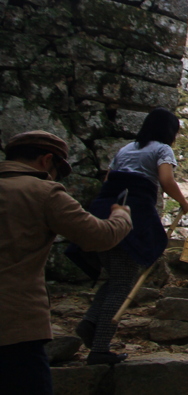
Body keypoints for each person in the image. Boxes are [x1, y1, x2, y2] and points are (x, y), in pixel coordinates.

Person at [0, 130, 133, 395]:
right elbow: (98, 236)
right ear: (46, 160)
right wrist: (122, 216)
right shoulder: (43, 192)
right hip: (15, 322)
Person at [71, 108, 188, 366]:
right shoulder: (162, 150)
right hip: (132, 214)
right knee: (123, 284)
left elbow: (108, 178)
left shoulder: (125, 149)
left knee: (116, 277)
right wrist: (183, 203)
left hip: (103, 210)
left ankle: (91, 322)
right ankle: (100, 347)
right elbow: (166, 180)